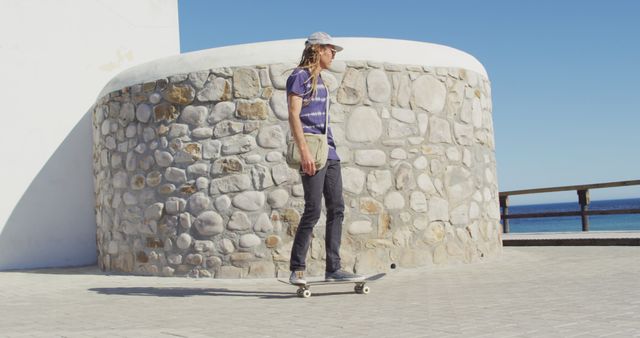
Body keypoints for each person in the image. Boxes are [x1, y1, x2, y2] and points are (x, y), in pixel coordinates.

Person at [286, 32, 364, 285]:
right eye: (331, 50)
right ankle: (297, 268)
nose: (334, 55)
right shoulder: (299, 77)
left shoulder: (322, 82)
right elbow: (293, 115)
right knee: (313, 210)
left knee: (337, 208)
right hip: (313, 152)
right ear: (318, 49)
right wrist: (305, 153)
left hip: (330, 152)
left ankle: (334, 268)